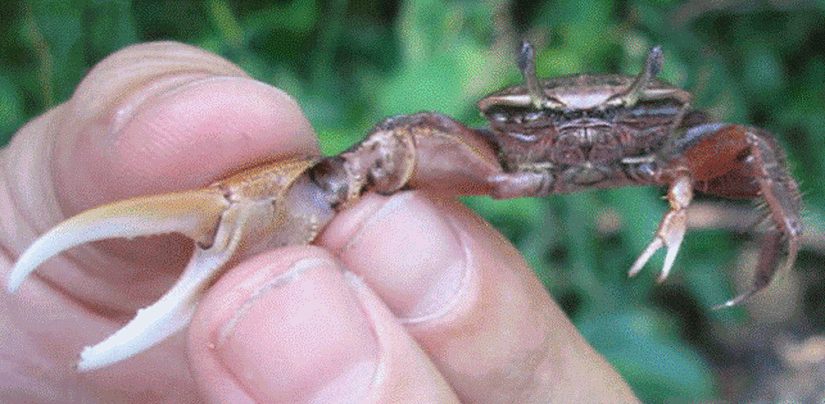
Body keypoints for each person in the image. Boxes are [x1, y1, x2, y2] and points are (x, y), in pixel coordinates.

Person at [0, 42, 640, 403]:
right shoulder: (430, 148)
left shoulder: (702, 147)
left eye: (641, 113)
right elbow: (356, 169)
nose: (582, 140)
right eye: (536, 118)